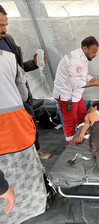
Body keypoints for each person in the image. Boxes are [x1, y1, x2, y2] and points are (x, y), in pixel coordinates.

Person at [0, 49, 46, 223]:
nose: (4, 28)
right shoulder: (8, 58)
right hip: (18, 131)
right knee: (27, 180)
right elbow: (23, 93)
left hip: (15, 136)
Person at [0, 4, 51, 160]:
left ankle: (35, 149)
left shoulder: (7, 41)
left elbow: (18, 69)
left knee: (29, 125)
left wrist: (34, 64)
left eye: (5, 25)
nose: (4, 30)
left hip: (20, 99)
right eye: (0, 25)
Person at [53, 36, 99, 147]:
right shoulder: (75, 60)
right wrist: (93, 84)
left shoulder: (83, 58)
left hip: (75, 94)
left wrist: (94, 80)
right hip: (67, 96)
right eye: (93, 52)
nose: (95, 55)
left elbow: (84, 75)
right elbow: (75, 83)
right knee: (70, 123)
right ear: (85, 49)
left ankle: (80, 136)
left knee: (82, 114)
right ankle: (70, 146)